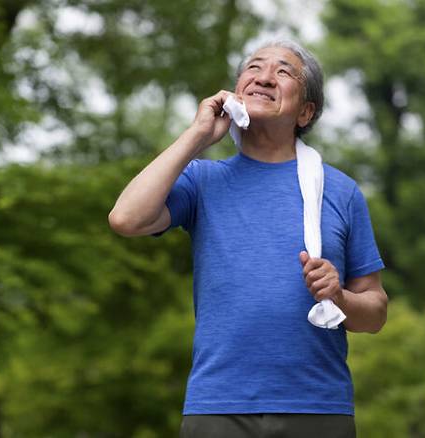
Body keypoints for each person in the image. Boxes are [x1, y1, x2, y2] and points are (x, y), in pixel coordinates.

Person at [108, 39, 388, 438]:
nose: (264, 77)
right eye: (254, 68)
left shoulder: (340, 192)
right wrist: (198, 134)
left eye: (284, 71)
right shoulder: (204, 180)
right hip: (218, 405)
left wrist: (339, 298)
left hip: (316, 406)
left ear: (306, 111)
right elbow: (126, 218)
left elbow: (376, 312)